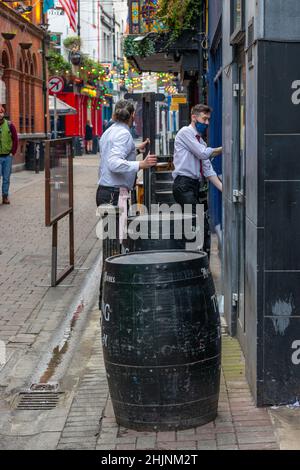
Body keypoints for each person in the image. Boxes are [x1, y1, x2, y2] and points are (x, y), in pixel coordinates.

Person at [172, 104, 222, 259]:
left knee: (197, 224)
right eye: (204, 119)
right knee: (198, 223)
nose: (206, 123)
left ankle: (196, 260)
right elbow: (203, 154)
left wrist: (222, 188)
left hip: (193, 186)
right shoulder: (185, 132)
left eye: (208, 120)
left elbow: (208, 170)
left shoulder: (201, 142)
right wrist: (225, 148)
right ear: (194, 117)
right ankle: (196, 261)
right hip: (183, 185)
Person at [97, 99, 156, 208]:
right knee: (117, 225)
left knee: (113, 225)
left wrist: (136, 149)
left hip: (106, 191)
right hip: (114, 194)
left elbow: (111, 153)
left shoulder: (109, 131)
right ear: (133, 115)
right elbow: (114, 163)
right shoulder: (124, 133)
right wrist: (141, 164)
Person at [0, 106, 18, 205]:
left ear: (3, 113)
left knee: (6, 178)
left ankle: (5, 196)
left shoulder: (10, 125)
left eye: (1, 112)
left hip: (7, 156)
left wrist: (12, 153)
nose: (0, 114)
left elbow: (15, 140)